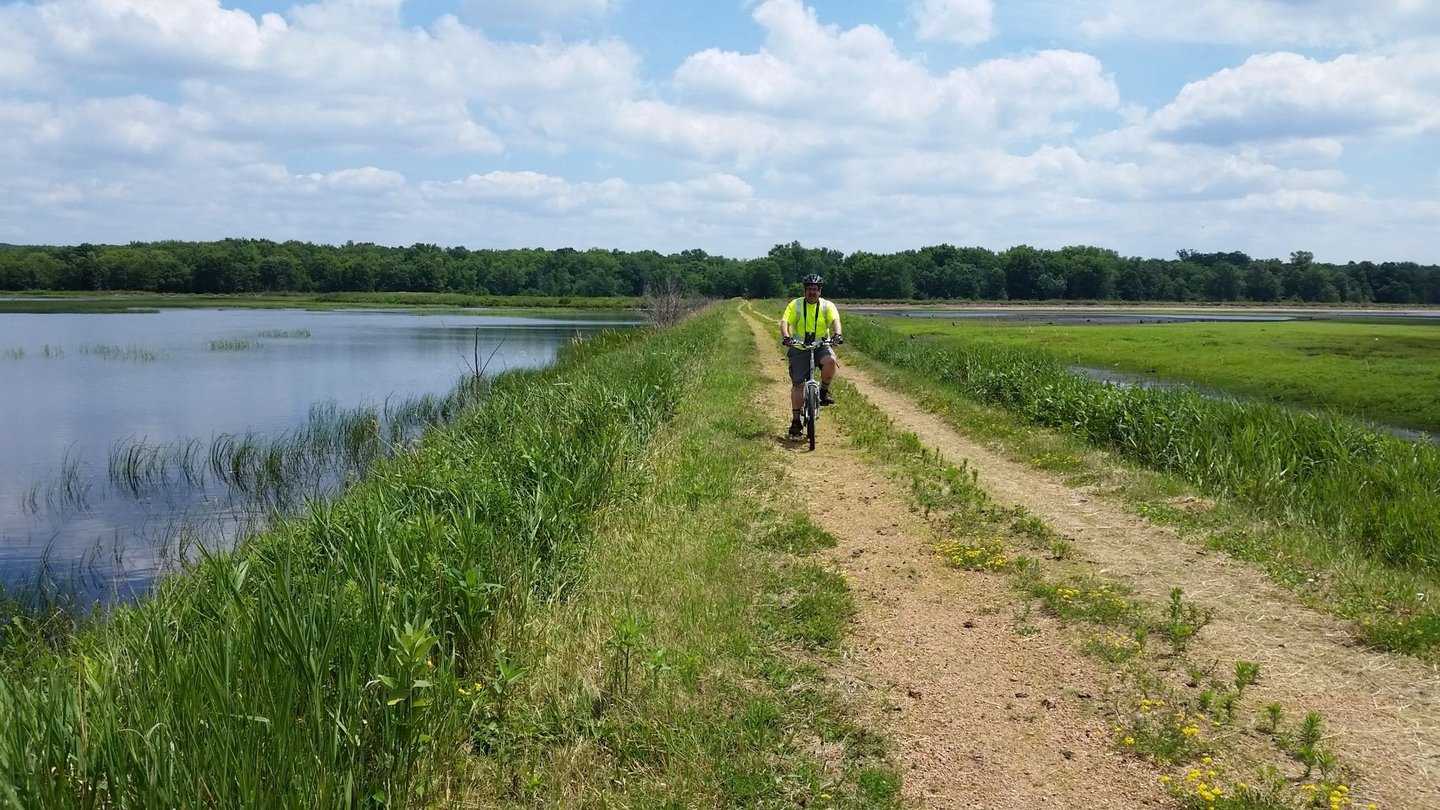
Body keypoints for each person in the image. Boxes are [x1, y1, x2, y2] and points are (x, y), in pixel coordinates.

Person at [779, 273, 843, 437]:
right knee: (798, 384)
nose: (812, 292)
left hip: (821, 344)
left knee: (830, 360)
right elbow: (785, 321)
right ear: (804, 290)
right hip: (799, 346)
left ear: (820, 291)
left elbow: (835, 321)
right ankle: (795, 421)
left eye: (815, 289)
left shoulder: (827, 306)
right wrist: (786, 336)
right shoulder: (796, 305)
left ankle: (824, 391)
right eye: (809, 289)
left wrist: (837, 334)